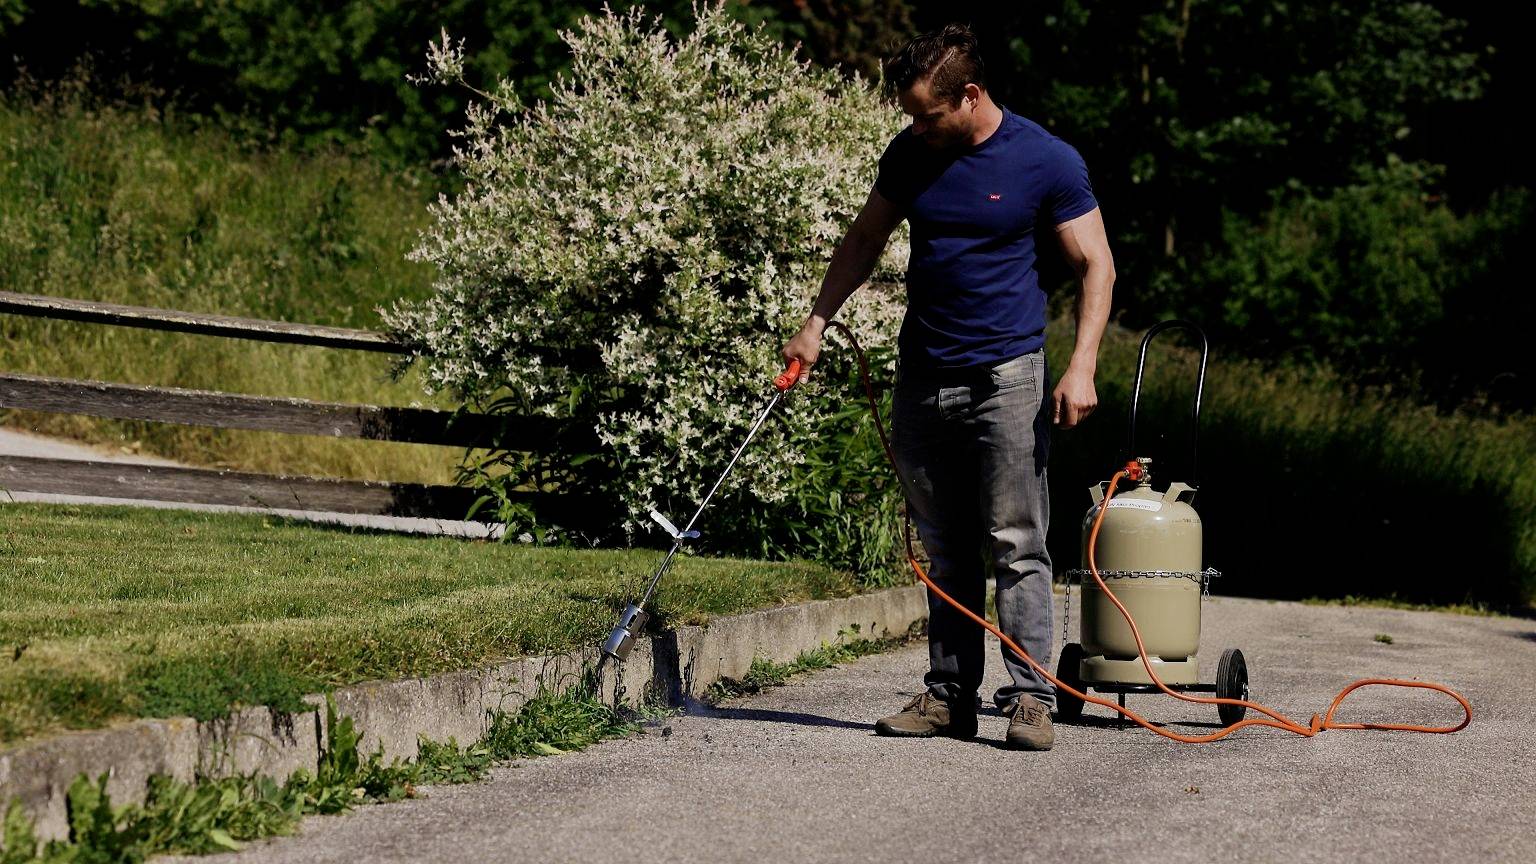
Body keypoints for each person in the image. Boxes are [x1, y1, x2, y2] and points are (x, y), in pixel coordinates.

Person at [780, 23, 1114, 751]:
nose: (917, 128)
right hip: (923, 373)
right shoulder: (912, 153)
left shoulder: (1044, 159)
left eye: (929, 115)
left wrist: (1081, 364)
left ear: (970, 95)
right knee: (947, 547)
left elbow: (1098, 265)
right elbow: (865, 239)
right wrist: (815, 323)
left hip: (1008, 376)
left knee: (1017, 542)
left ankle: (1029, 700)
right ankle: (948, 698)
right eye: (911, 116)